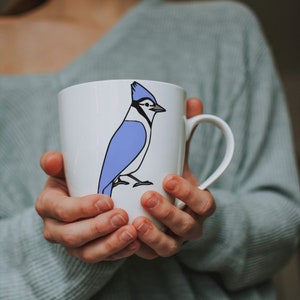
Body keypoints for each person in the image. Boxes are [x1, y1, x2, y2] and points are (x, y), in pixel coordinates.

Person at [0, 0, 299, 299]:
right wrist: (68, 237)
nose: (153, 109)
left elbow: (285, 222)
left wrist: (196, 219)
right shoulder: (135, 129)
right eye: (147, 106)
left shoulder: (225, 27)